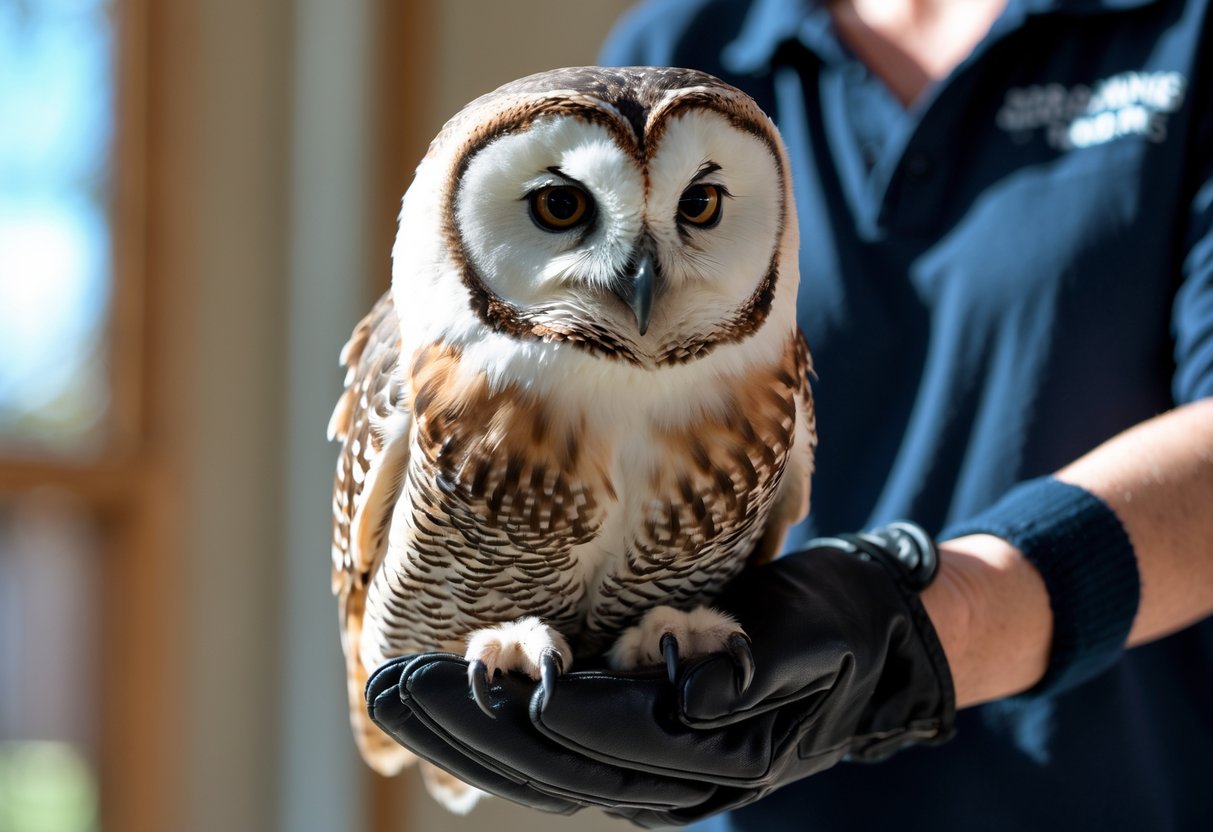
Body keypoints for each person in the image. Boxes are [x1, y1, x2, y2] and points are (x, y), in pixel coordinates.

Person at [366, 1, 1213, 828]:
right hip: (751, 802)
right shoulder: (693, 36)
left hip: (1102, 785)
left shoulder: (1183, 29)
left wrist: (925, 629)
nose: (639, 277)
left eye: (699, 209)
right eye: (562, 208)